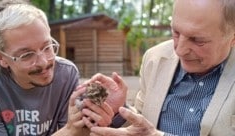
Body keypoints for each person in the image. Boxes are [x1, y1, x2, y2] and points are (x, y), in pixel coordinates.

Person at [80, 0, 235, 135]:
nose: (179, 50)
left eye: (197, 40)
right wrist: (120, 110)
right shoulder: (155, 59)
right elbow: (143, 123)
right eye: (175, 32)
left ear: (232, 38)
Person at [0, 0, 114, 136]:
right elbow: (70, 131)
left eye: (47, 47)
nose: (44, 62)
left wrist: (91, 120)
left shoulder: (66, 74)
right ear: (0, 58)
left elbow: (77, 132)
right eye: (27, 55)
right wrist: (70, 130)